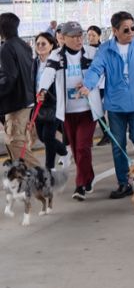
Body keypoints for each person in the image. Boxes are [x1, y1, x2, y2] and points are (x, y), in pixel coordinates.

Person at [80, 11, 134, 199]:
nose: (131, 32)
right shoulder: (105, 49)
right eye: (126, 30)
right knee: (118, 146)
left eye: (133, 28)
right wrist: (87, 85)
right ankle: (124, 183)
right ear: (115, 31)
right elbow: (96, 69)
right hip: (115, 106)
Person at [39, 21, 103, 200]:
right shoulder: (56, 55)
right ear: (63, 38)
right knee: (76, 150)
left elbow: (100, 73)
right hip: (67, 111)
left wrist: (90, 85)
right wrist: (42, 90)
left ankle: (80, 184)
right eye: (73, 36)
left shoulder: (91, 53)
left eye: (80, 36)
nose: (78, 39)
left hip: (88, 110)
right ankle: (88, 176)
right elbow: (48, 73)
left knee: (83, 147)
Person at [0, 13, 36, 163]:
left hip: (16, 103)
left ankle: (42, 179)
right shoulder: (23, 45)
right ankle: (28, 182)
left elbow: (10, 77)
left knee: (16, 144)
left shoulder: (6, 47)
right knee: (19, 146)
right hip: (27, 99)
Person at [32, 32, 69, 170]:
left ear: (51, 46)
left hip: (54, 104)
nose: (40, 46)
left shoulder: (56, 63)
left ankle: (50, 168)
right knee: (42, 137)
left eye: (43, 44)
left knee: (48, 137)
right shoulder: (35, 62)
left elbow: (59, 86)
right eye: (38, 44)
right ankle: (64, 151)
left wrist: (47, 96)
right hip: (39, 105)